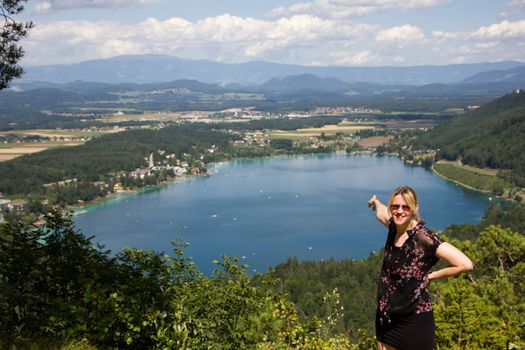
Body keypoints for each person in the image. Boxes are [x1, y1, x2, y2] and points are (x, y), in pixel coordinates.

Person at [368, 186, 473, 350]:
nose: (400, 211)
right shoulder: (394, 226)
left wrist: (431, 276)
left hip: (413, 321)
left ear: (415, 208)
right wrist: (375, 202)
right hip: (387, 318)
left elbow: (465, 264)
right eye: (395, 206)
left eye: (406, 207)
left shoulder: (424, 238)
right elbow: (382, 213)